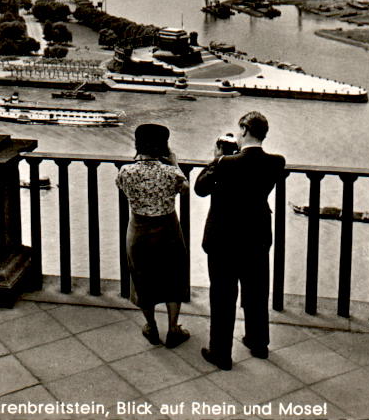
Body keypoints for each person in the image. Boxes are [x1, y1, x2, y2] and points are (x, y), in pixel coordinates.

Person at [194, 111, 285, 370]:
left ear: (244, 130)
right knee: (256, 291)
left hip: (224, 238)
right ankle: (259, 344)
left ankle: (220, 353)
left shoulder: (225, 164)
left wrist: (218, 158)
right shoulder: (277, 162)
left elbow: (201, 188)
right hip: (257, 236)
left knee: (223, 295)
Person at [116, 123, 190, 348]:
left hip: (139, 230)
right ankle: (173, 328)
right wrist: (175, 163)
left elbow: (121, 187)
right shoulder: (170, 173)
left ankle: (151, 326)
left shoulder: (126, 172)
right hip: (168, 229)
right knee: (173, 277)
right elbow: (185, 187)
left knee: (141, 278)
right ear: (163, 146)